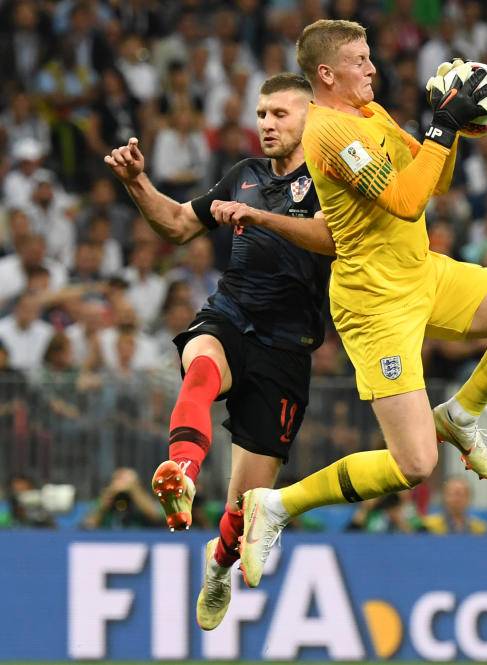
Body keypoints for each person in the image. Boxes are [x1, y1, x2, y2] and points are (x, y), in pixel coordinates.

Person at [235, 20, 487, 587]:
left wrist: (455, 124)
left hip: (421, 274)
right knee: (415, 465)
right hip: (375, 305)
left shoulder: (371, 114)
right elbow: (408, 202)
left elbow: (433, 180)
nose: (373, 68)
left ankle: (461, 414)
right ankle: (277, 506)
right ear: (327, 74)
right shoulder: (327, 134)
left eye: (369, 58)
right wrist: (441, 123)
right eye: (360, 61)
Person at [103, 73, 335, 631]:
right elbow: (180, 225)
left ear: (311, 117)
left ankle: (218, 565)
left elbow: (331, 239)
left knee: (244, 508)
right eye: (261, 114)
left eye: (280, 114)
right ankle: (180, 472)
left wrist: (257, 218)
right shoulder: (244, 175)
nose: (267, 124)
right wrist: (138, 183)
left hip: (287, 348)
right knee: (201, 363)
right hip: (231, 316)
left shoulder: (332, 181)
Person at [423, 476, 487, 535]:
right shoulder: (428, 525)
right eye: (452, 494)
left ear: (469, 497)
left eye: (462, 494)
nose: (457, 499)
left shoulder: (479, 528)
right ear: (444, 496)